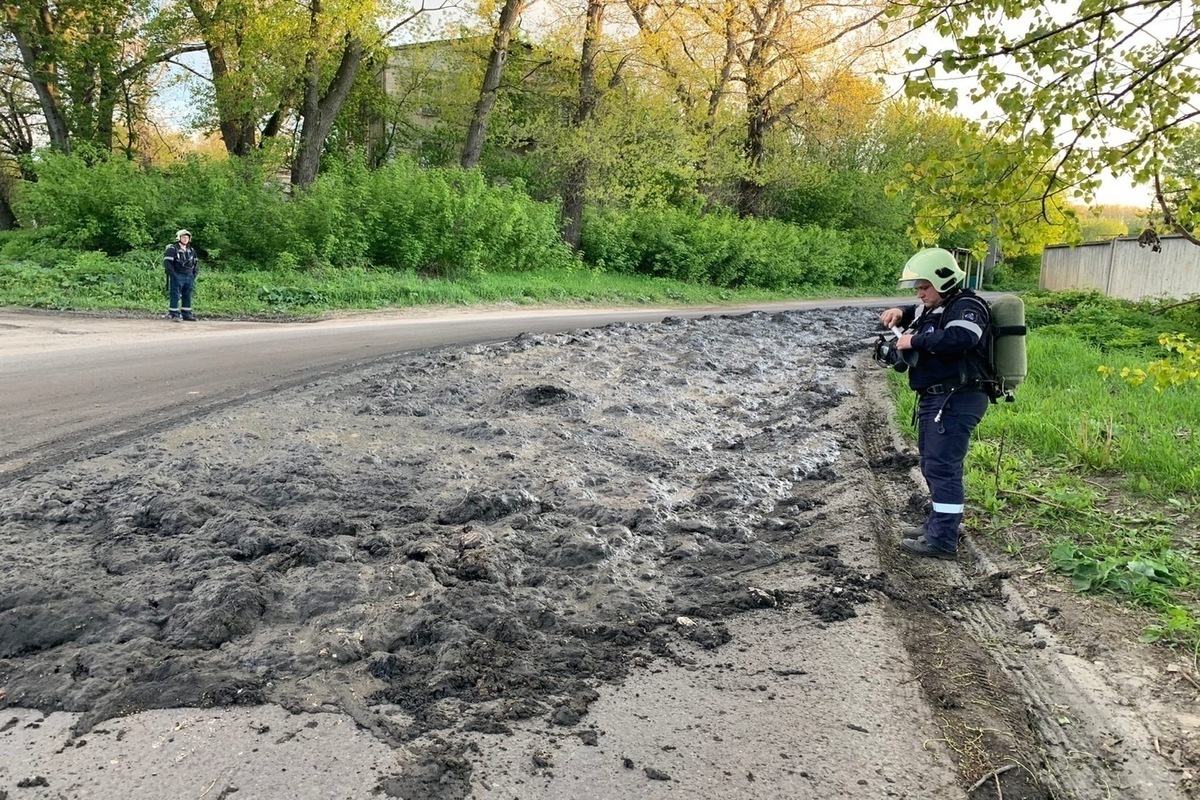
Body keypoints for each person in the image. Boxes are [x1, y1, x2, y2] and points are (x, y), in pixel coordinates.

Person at [879, 248, 991, 560]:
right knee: (930, 464)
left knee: (943, 468)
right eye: (916, 289)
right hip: (937, 398)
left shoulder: (967, 306)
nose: (920, 294)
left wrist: (915, 341)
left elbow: (962, 338)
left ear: (944, 280)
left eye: (924, 287)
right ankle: (936, 527)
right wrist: (899, 312)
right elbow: (920, 316)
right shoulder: (936, 307)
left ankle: (942, 540)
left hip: (958, 398)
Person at [164, 229, 199, 322]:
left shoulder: (191, 250)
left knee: (187, 295)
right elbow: (168, 264)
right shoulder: (172, 249)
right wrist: (174, 275)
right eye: (183, 237)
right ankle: (174, 314)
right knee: (175, 295)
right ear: (178, 238)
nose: (185, 239)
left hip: (189, 276)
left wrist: (194, 274)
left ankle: (187, 314)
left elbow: (196, 263)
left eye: (187, 237)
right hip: (177, 275)